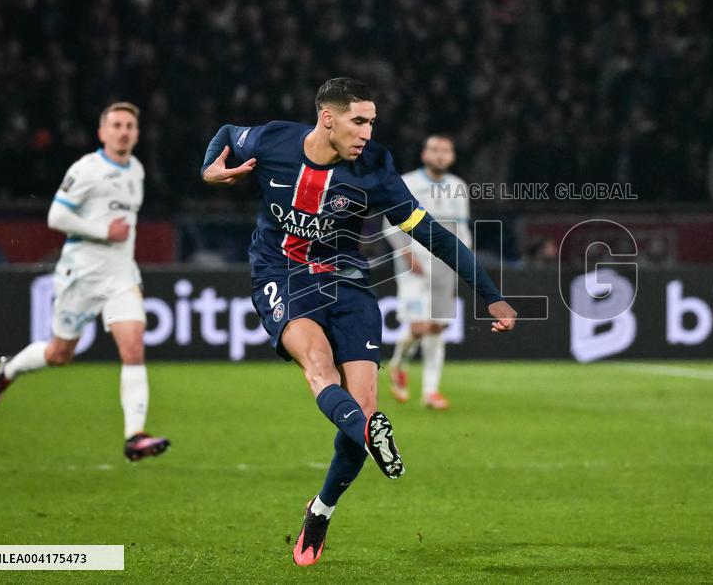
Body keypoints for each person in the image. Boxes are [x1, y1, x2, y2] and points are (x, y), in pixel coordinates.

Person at [200, 77, 516, 567]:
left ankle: (320, 510)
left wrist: (491, 295)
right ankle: (368, 432)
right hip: (282, 273)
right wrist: (210, 170)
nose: (368, 131)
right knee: (319, 364)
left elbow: (434, 235)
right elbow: (225, 132)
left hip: (347, 282)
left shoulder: (375, 171)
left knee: (363, 407)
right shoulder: (274, 140)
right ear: (328, 118)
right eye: (359, 120)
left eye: (372, 121)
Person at [0, 102, 170, 462]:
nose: (124, 131)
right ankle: (8, 371)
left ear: (137, 133)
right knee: (59, 354)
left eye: (130, 125)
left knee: (133, 349)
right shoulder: (87, 169)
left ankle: (134, 435)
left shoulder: (137, 170)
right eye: (116, 125)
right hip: (80, 275)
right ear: (102, 132)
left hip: (120, 275)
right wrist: (103, 230)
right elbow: (56, 215)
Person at [383, 134, 471, 409]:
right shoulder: (408, 183)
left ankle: (430, 392)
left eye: (446, 150)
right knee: (420, 326)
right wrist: (405, 252)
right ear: (424, 155)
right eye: (435, 150)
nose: (440, 155)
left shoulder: (459, 186)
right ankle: (397, 364)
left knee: (437, 327)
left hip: (445, 262)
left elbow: (463, 227)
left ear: (452, 157)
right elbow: (390, 223)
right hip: (414, 263)